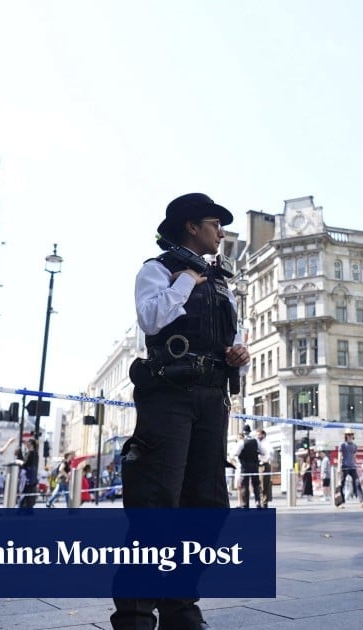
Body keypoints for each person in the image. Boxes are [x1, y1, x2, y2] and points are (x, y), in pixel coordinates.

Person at [113, 193, 249, 630]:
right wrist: (187, 279)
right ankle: (135, 615)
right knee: (157, 503)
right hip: (168, 396)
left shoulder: (223, 283)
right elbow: (152, 319)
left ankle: (180, 607)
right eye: (215, 224)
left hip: (213, 398)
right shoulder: (158, 270)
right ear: (191, 226)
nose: (221, 233)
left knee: (207, 505)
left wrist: (236, 351)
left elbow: (229, 331)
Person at [230, 425, 269, 508]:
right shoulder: (256, 441)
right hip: (254, 465)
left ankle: (245, 504)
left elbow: (233, 454)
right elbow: (263, 452)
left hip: (244, 466)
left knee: (245, 485)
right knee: (256, 485)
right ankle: (257, 502)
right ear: (250, 432)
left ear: (243, 432)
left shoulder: (241, 442)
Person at [338, 429, 363, 505]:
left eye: (351, 434)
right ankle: (340, 500)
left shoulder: (354, 446)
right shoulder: (342, 444)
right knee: (342, 483)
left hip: (352, 466)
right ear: (345, 436)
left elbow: (354, 456)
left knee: (357, 482)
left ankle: (361, 499)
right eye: (348, 434)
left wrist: (356, 465)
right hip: (345, 466)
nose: (350, 436)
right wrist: (339, 467)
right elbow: (339, 456)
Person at [17, 438, 40, 511]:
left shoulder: (30, 453)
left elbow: (25, 464)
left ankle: (20, 509)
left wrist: (19, 462)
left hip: (27, 477)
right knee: (29, 494)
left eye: (28, 443)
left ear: (31, 444)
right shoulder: (36, 453)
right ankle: (29, 509)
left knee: (24, 493)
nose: (26, 444)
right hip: (32, 477)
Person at [256, 429, 272, 508]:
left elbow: (268, 455)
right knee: (259, 485)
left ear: (263, 435)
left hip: (264, 466)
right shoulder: (257, 443)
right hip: (258, 465)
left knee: (264, 485)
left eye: (259, 434)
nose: (257, 436)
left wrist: (263, 459)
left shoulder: (267, 443)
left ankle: (264, 503)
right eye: (257, 434)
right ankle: (260, 501)